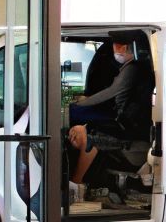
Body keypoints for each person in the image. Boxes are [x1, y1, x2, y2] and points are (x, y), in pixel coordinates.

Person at [65, 32, 153, 194]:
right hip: (126, 123)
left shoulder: (133, 69)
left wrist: (79, 104)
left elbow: (111, 92)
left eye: (115, 45)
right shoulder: (131, 68)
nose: (114, 49)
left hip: (129, 128)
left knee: (87, 134)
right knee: (83, 129)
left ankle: (76, 184)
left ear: (123, 48)